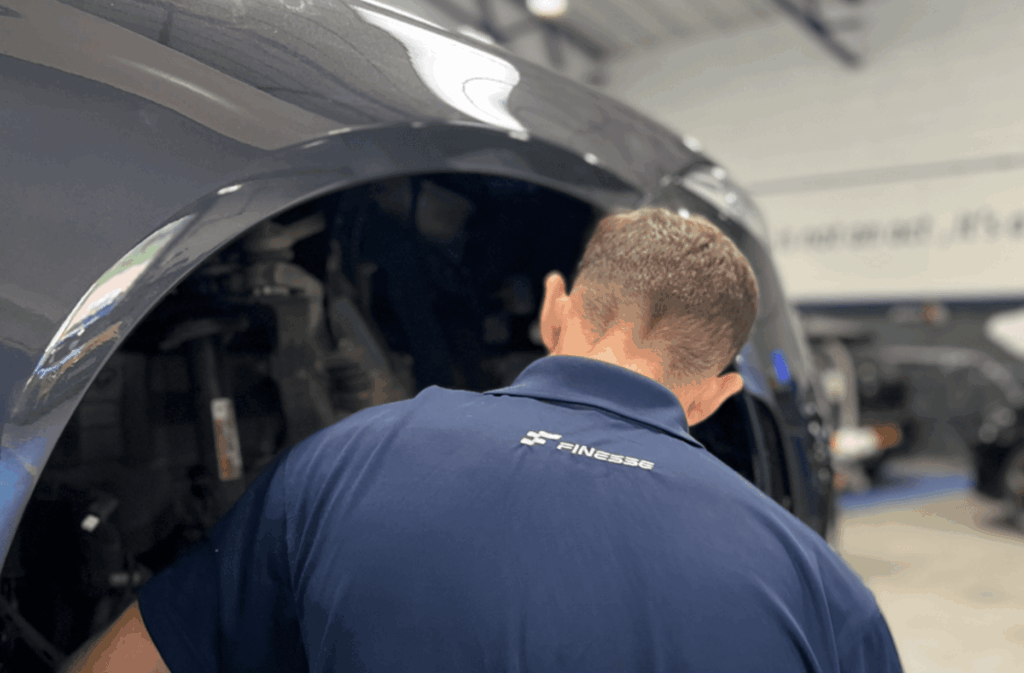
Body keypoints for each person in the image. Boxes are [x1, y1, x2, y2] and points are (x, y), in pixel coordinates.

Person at [62, 207, 902, 673]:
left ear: (554, 311)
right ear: (720, 396)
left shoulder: (343, 462)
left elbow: (133, 662)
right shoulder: (823, 594)